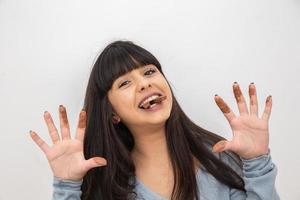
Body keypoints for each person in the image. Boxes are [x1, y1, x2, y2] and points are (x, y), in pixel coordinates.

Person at [29, 40, 280, 200]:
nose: (145, 83)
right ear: (112, 112)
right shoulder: (110, 186)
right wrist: (66, 186)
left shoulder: (218, 159)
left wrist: (257, 162)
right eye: (125, 82)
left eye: (149, 71)